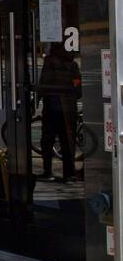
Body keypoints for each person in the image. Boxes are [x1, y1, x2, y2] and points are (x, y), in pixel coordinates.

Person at [37, 43, 82, 182]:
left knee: (47, 140)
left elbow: (43, 85)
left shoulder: (49, 63)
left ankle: (47, 171)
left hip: (51, 107)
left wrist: (37, 100)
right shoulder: (73, 65)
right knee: (68, 142)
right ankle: (69, 174)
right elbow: (78, 89)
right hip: (69, 108)